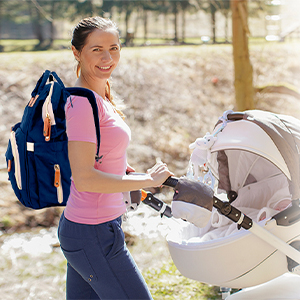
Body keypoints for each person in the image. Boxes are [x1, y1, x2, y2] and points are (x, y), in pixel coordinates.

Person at [58, 16, 173, 300]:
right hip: (92, 233)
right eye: (97, 49)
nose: (108, 57)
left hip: (91, 229)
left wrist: (123, 169)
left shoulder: (98, 97)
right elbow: (85, 178)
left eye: (114, 48)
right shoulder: (82, 104)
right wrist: (149, 180)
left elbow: (95, 156)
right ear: (77, 52)